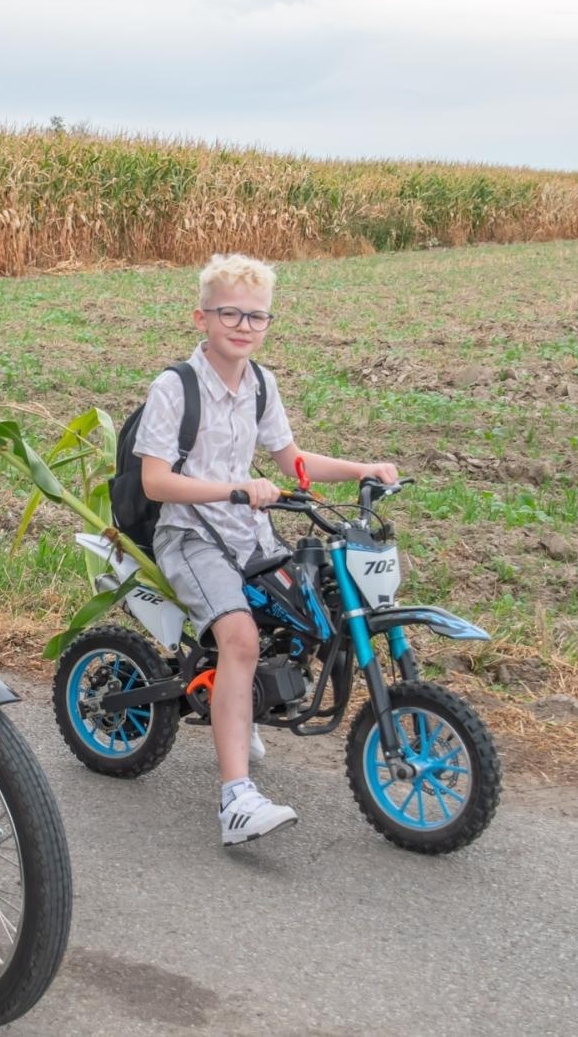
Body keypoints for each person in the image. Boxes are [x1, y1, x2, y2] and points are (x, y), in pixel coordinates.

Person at [133, 253, 397, 846]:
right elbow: (154, 480)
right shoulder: (174, 387)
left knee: (307, 617)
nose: (244, 326)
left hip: (248, 532)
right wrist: (233, 489)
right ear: (201, 317)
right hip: (190, 534)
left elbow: (293, 463)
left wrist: (364, 468)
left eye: (257, 317)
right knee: (241, 638)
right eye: (230, 313)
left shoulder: (261, 385)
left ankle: (242, 705)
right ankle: (235, 801)